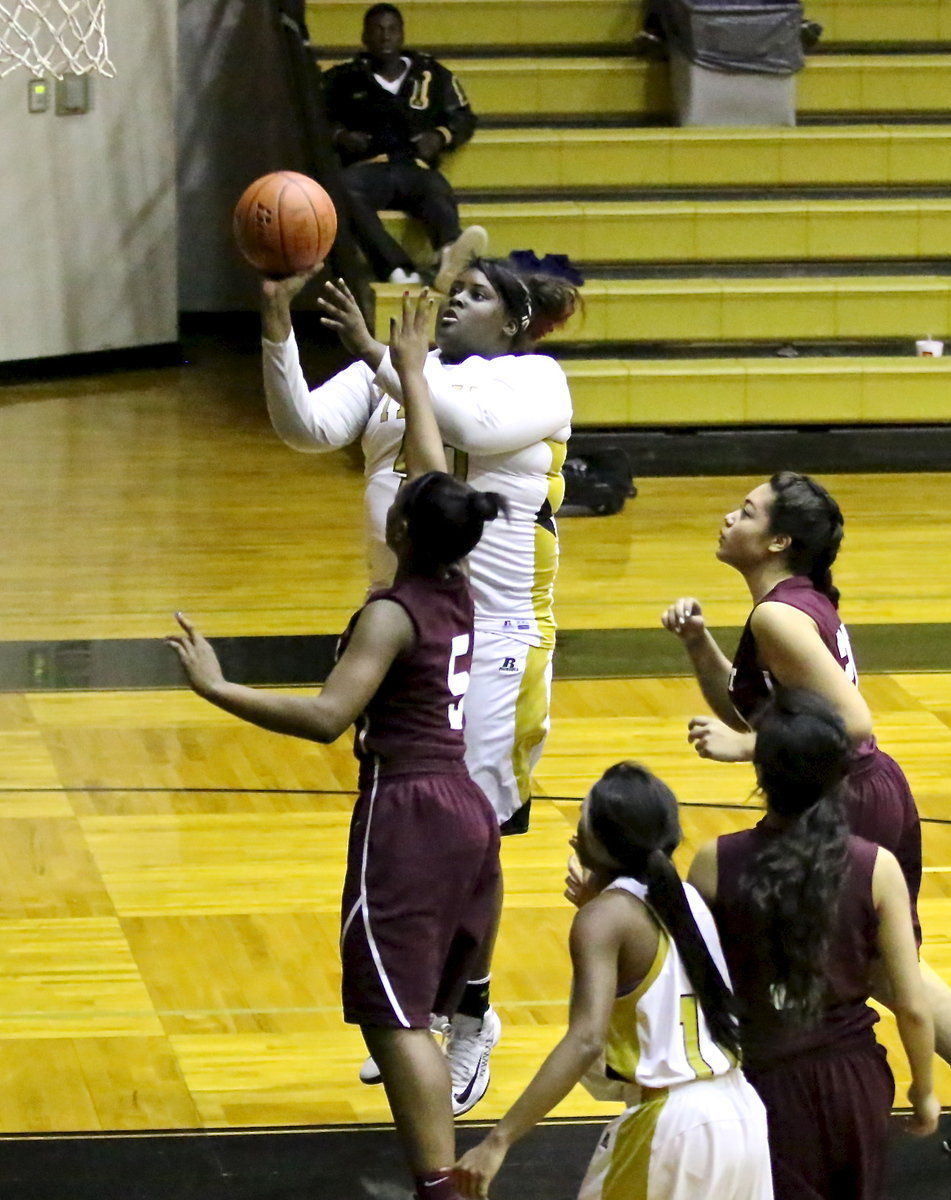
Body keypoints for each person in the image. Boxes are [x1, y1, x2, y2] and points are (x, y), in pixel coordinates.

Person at [168, 293, 503, 1200]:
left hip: (408, 812)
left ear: (399, 525)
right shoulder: (456, 579)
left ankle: (440, 1183)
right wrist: (404, 362)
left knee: (395, 1021)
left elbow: (325, 719)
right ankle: (442, 1172)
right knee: (413, 1013)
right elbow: (438, 475)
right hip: (468, 807)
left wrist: (217, 686)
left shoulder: (393, 614)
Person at [259, 252, 579, 1110]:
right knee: (418, 819)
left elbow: (463, 432)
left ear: (511, 321)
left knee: (472, 830)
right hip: (405, 621)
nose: (453, 303)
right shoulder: (410, 371)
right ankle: (427, 1005)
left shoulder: (535, 379)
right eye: (453, 289)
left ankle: (467, 1013)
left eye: (475, 295)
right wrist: (277, 327)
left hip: (500, 636)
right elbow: (303, 428)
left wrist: (384, 360)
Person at [660, 469, 951, 1061]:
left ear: (777, 542)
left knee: (883, 973)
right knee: (882, 970)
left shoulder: (777, 616)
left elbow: (853, 722)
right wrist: (698, 644)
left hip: (848, 798)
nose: (728, 518)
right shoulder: (789, 605)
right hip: (859, 789)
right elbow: (754, 709)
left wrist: (748, 750)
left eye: (745, 511)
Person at [453, 761, 773, 1200]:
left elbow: (585, 1041)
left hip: (673, 1124)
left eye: (582, 819)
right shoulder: (687, 900)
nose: (574, 829)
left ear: (603, 842)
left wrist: (498, 1140)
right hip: (742, 1115)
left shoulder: (604, 919)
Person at [688, 688, 938, 1199]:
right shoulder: (877, 868)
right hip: (854, 1084)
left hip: (756, 1080)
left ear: (761, 775)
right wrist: (926, 1089)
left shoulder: (714, 861)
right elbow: (911, 1006)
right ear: (840, 774)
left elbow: (689, 984)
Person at [323, 2, 487, 287]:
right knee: (342, 189)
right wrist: (341, 137)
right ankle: (396, 269)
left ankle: (449, 254)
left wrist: (440, 136)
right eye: (376, 30)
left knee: (436, 188)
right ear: (364, 38)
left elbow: (464, 116)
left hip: (415, 167)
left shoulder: (431, 74)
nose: (385, 36)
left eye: (392, 29)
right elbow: (315, 120)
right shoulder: (342, 78)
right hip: (368, 169)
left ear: (402, 35)